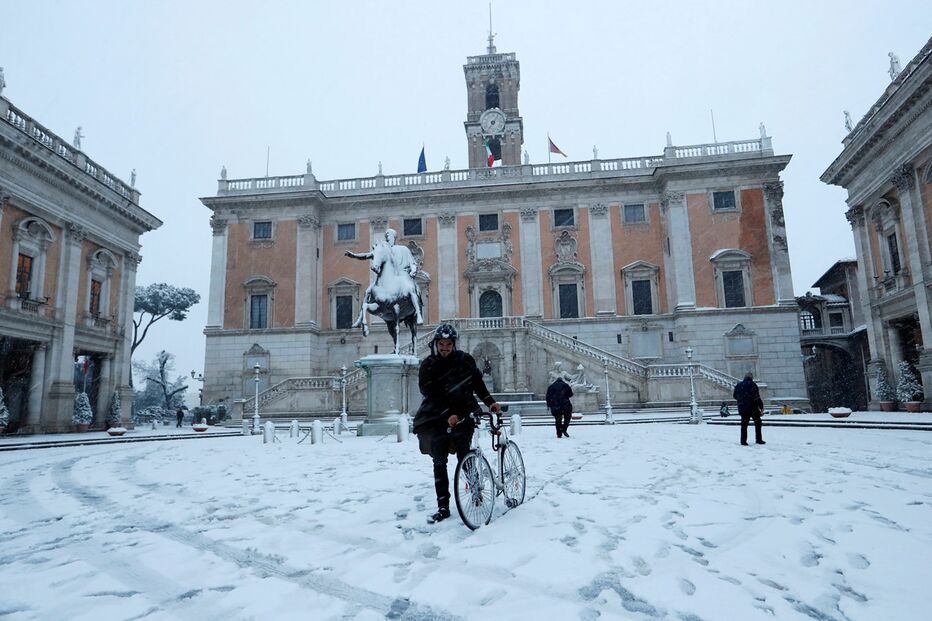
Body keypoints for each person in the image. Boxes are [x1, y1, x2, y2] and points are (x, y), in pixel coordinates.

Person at [413, 324, 501, 524]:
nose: (445, 348)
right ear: (436, 344)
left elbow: (477, 384)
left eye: (448, 344)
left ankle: (476, 491)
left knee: (464, 453)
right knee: (439, 460)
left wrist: (490, 402)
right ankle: (443, 506)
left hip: (463, 412)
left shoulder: (465, 360)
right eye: (441, 344)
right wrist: (446, 414)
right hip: (436, 416)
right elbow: (430, 394)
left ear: (454, 344)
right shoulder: (428, 365)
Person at [733, 373, 765, 446]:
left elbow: (735, 396)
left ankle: (743, 441)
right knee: (758, 423)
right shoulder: (753, 385)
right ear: (751, 378)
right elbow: (757, 397)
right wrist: (761, 407)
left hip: (743, 408)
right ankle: (758, 439)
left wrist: (742, 400)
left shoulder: (738, 385)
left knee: (744, 425)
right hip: (753, 408)